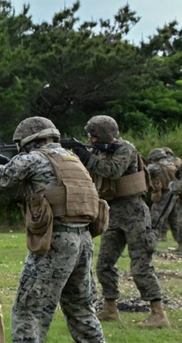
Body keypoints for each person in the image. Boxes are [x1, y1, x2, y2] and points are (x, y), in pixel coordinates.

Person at [0, 117, 119, 343]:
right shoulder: (72, 159)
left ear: (29, 140)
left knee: (28, 306)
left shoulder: (35, 158)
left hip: (55, 241)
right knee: (80, 306)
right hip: (82, 239)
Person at [66, 116, 170, 328]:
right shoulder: (99, 151)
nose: (91, 139)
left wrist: (86, 155)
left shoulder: (125, 149)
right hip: (113, 213)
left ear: (104, 134)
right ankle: (111, 308)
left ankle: (158, 313)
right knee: (104, 264)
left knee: (140, 265)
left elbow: (112, 170)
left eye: (94, 135)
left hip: (134, 213)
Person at [147, 147, 182, 245]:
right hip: (175, 195)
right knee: (175, 221)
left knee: (155, 219)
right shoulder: (173, 164)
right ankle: (180, 246)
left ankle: (151, 242)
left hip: (164, 195)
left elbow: (143, 173)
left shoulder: (154, 167)